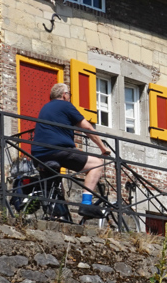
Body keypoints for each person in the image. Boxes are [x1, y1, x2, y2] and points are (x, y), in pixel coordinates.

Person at [30, 83, 110, 217]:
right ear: (64, 95)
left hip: (38, 154)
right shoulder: (66, 105)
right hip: (57, 151)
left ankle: (58, 213)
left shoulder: (45, 108)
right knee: (97, 164)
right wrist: (103, 148)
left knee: (56, 183)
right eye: (70, 95)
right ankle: (86, 204)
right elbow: (87, 128)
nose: (69, 98)